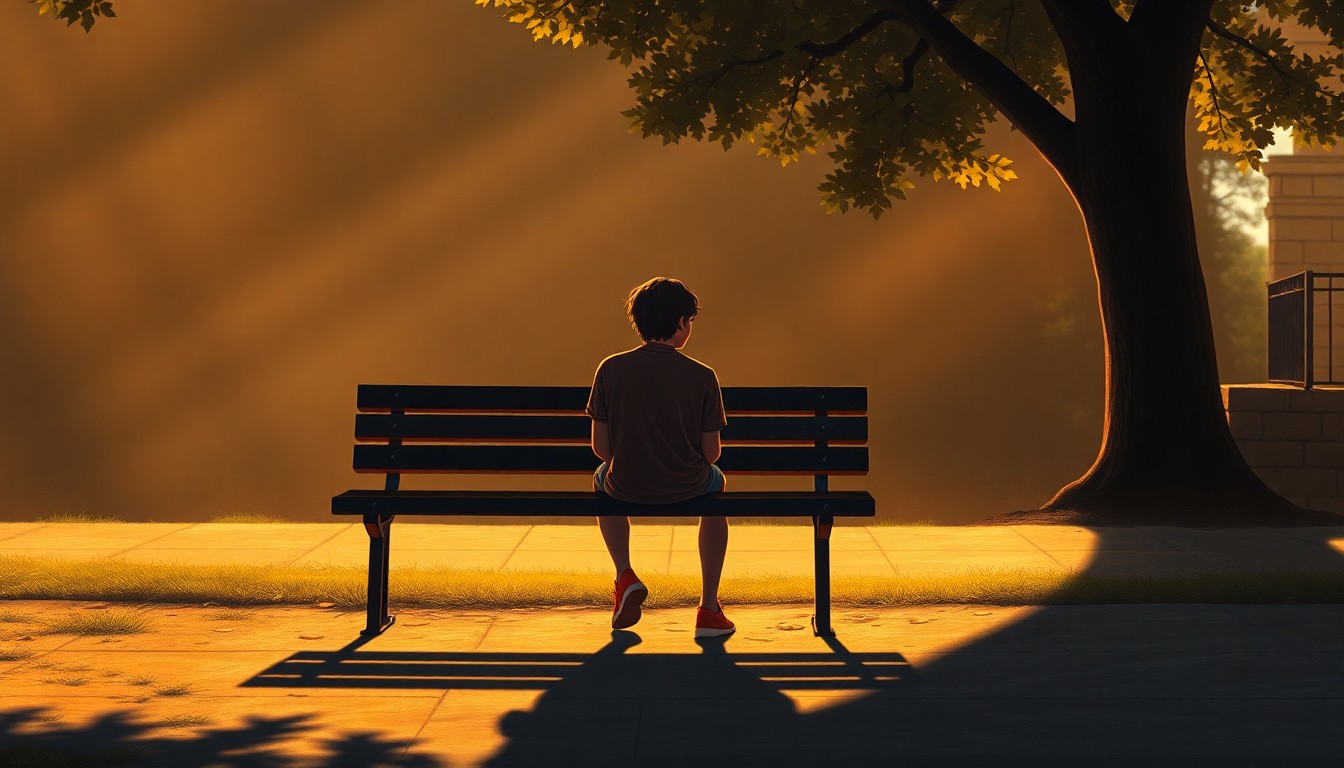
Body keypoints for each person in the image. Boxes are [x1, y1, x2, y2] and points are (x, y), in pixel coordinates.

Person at [585, 277, 734, 638]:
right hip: (688, 484)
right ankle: (709, 608)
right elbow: (711, 453)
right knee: (717, 483)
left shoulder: (610, 369)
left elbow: (601, 449)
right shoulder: (702, 376)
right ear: (682, 324)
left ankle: (625, 575)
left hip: (625, 484)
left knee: (600, 476)